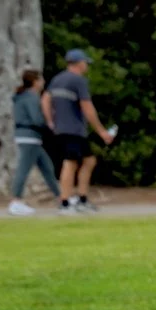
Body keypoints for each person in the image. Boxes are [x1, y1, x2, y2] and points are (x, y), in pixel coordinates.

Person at [44, 49, 114, 213]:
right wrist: (101, 131)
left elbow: (45, 99)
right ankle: (65, 202)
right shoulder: (78, 81)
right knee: (70, 163)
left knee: (89, 161)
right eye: (85, 63)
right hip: (74, 129)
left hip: (62, 128)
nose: (87, 66)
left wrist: (50, 121)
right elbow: (87, 107)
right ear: (79, 63)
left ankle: (82, 199)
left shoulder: (57, 79)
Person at [7, 68, 61, 215]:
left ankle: (62, 198)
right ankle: (16, 201)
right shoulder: (31, 97)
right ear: (35, 82)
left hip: (27, 137)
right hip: (30, 136)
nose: (43, 82)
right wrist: (49, 122)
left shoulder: (21, 96)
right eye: (41, 79)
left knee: (47, 167)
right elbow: (36, 118)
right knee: (24, 169)